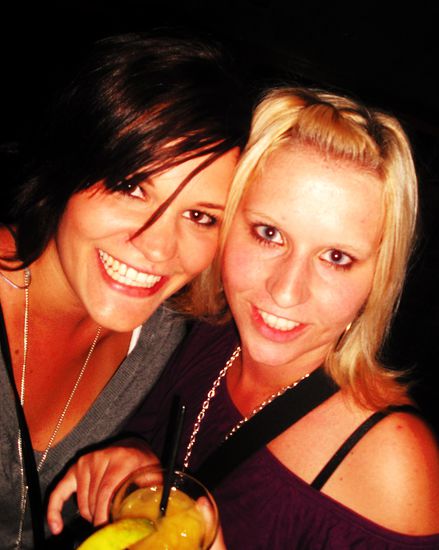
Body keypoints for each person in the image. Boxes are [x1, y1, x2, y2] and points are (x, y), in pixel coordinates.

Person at [48, 87, 439, 548]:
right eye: (269, 233)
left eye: (336, 257)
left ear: (379, 278)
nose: (286, 291)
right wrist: (136, 462)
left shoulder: (395, 466)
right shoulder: (202, 337)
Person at [0, 30, 250, 549]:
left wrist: (136, 464)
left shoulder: (163, 332)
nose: (157, 248)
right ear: (70, 163)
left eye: (200, 216)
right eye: (132, 186)